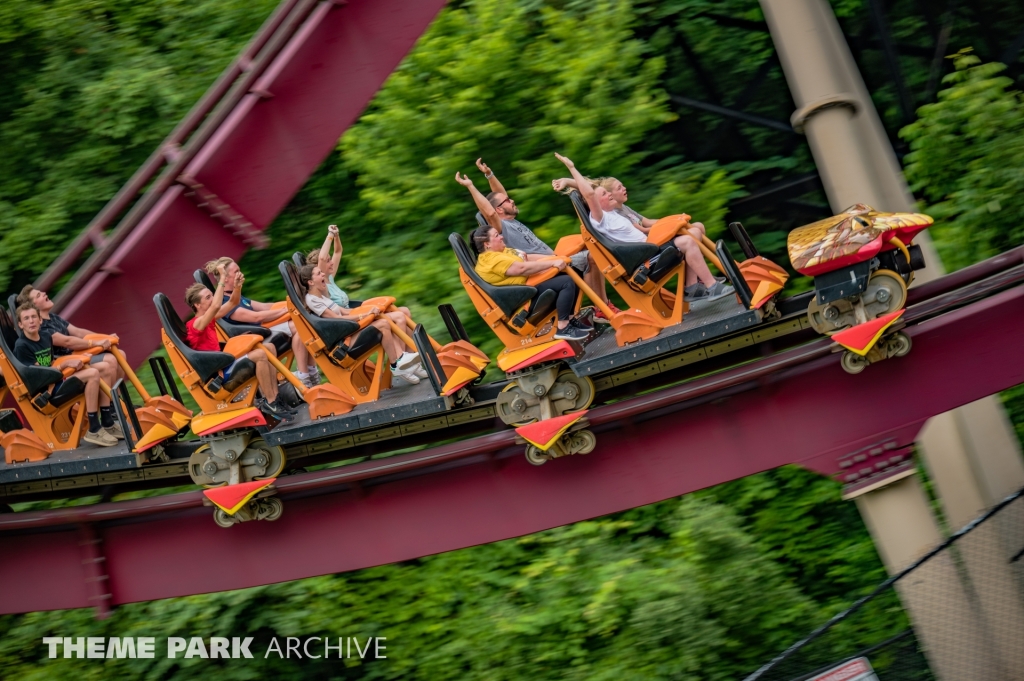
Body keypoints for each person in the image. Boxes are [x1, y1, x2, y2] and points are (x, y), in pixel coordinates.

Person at [553, 154, 733, 302]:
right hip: (643, 261)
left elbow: (592, 188)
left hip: (649, 251)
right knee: (687, 241)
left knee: (690, 235)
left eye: (608, 192)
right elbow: (590, 193)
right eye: (605, 194)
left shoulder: (615, 213)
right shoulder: (600, 219)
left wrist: (568, 181)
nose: (610, 195)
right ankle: (711, 286)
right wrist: (571, 168)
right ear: (596, 203)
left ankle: (694, 287)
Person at [457, 159, 617, 322]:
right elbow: (490, 212)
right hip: (545, 268)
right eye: (508, 201)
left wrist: (490, 175)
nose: (512, 201)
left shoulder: (510, 220)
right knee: (592, 257)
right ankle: (603, 308)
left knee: (590, 248)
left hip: (551, 260)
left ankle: (600, 308)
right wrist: (471, 186)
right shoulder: (500, 228)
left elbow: (499, 197)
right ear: (499, 209)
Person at [184, 265, 295, 419]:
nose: (213, 299)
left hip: (224, 364)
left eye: (212, 295)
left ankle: (276, 399)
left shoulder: (209, 319)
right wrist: (223, 277)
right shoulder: (196, 324)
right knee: (260, 354)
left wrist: (237, 287)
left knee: (268, 347)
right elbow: (216, 306)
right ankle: (269, 401)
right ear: (197, 305)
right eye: (208, 297)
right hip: (218, 376)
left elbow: (232, 303)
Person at [16, 286, 127, 427]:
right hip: (65, 365)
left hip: (71, 360)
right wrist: (95, 343)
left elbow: (78, 332)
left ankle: (114, 405)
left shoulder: (53, 319)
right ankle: (109, 411)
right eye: (38, 295)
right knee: (108, 362)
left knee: (119, 354)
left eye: (33, 317)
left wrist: (105, 339)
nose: (44, 293)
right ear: (32, 305)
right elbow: (67, 342)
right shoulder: (41, 331)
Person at [204, 257, 319, 389]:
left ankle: (310, 374)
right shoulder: (225, 302)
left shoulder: (236, 296)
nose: (240, 274)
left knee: (303, 325)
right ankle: (305, 377)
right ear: (225, 278)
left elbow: (264, 307)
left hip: (262, 330)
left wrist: (292, 304)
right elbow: (256, 317)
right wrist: (286, 310)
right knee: (300, 328)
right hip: (255, 336)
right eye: (236, 272)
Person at [13, 304, 118, 447]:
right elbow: (40, 375)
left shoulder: (46, 336)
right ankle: (94, 428)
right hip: (46, 392)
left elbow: (51, 362)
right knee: (93, 373)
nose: (31, 321)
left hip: (56, 379)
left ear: (40, 320)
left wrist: (80, 358)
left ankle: (107, 420)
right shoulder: (22, 346)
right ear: (20, 324)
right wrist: (65, 364)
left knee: (105, 368)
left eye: (33, 317)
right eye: (26, 318)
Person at [299, 264, 424, 385]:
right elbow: (337, 319)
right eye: (319, 273)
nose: (323, 274)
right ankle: (397, 363)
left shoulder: (321, 296)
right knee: (383, 324)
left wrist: (367, 311)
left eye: (321, 272)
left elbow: (344, 311)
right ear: (310, 282)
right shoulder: (312, 300)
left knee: (399, 316)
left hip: (348, 328)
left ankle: (405, 360)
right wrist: (363, 316)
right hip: (344, 338)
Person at [305, 224, 421, 346]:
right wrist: (330, 235)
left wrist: (336, 236)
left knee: (405, 311)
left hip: (354, 312)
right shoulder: (322, 287)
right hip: (352, 322)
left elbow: (338, 251)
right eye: (328, 261)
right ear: (318, 268)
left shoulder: (330, 278)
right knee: (399, 316)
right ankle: (401, 355)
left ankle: (414, 352)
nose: (331, 262)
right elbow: (322, 258)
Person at [470, 225, 589, 342]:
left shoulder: (501, 251)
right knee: (566, 282)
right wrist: (552, 263)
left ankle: (570, 319)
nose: (501, 237)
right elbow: (521, 268)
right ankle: (563, 327)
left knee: (570, 274)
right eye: (496, 235)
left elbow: (526, 257)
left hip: (528, 288)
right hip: (524, 300)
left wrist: (555, 258)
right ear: (487, 244)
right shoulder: (491, 260)